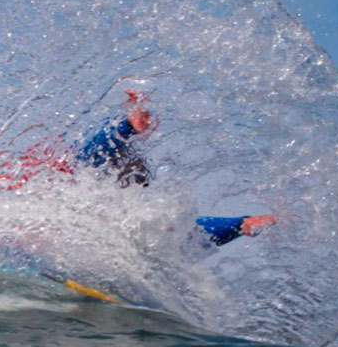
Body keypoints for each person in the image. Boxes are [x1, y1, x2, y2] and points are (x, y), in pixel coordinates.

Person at [76, 90, 276, 246]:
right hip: (98, 179)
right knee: (83, 171)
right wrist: (240, 225)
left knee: (157, 233)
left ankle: (128, 125)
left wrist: (240, 225)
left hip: (108, 185)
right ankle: (128, 125)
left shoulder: (131, 218)